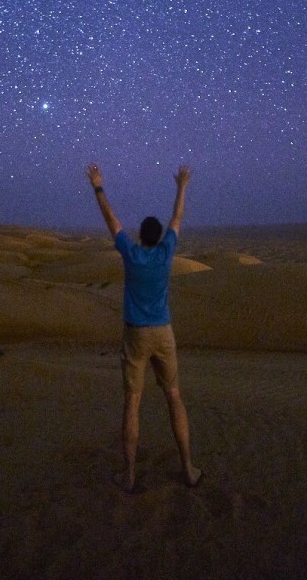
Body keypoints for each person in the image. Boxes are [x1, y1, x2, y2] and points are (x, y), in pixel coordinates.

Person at [86, 162, 202, 493]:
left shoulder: (131, 254)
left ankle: (130, 474)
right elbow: (177, 220)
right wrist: (182, 187)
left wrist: (98, 186)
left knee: (132, 403)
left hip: (136, 334)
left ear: (140, 236)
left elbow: (111, 222)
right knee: (174, 397)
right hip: (163, 332)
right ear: (159, 237)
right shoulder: (167, 252)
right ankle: (188, 469)